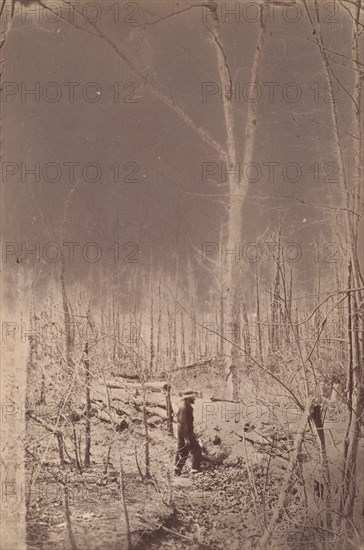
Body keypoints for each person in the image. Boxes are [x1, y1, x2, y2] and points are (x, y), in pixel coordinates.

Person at [174, 389, 202, 475]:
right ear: (188, 398)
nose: (194, 399)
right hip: (185, 432)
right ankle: (195, 470)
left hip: (183, 432)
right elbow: (183, 423)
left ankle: (177, 470)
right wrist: (187, 438)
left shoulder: (184, 405)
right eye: (192, 397)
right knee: (196, 450)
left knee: (183, 450)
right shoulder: (185, 408)